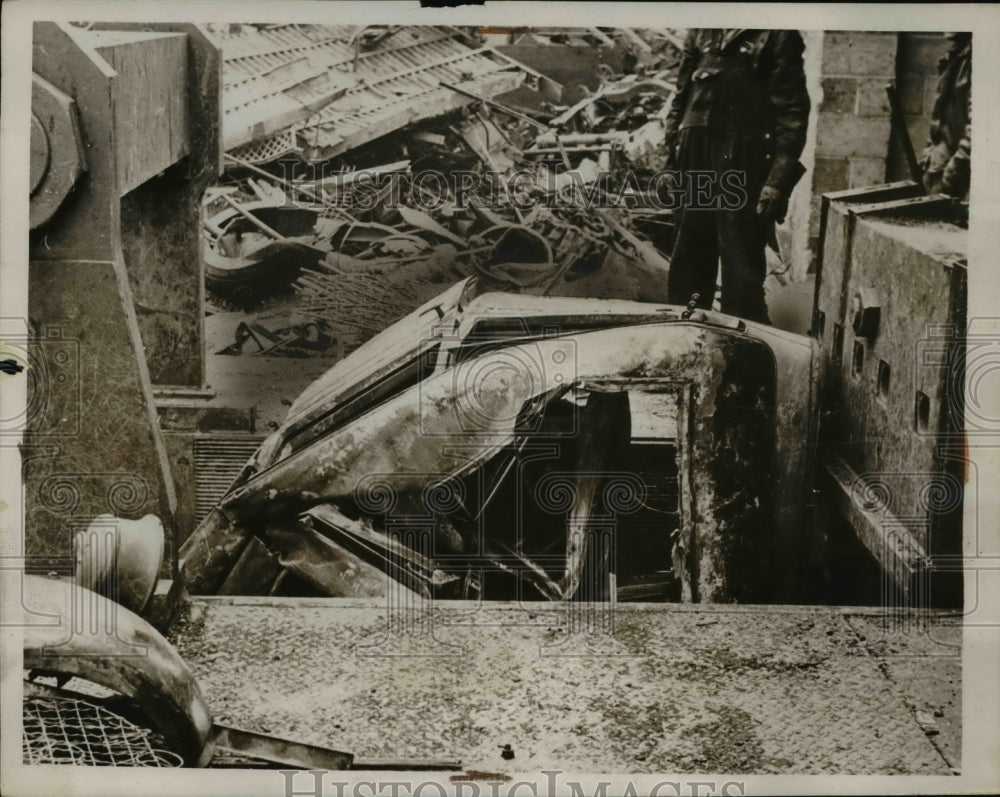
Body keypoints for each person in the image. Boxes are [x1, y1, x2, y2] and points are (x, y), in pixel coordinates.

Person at [663, 29, 811, 324]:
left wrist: (776, 183)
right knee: (688, 274)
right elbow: (679, 101)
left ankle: (744, 361)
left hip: (743, 166)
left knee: (741, 278)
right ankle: (689, 349)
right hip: (695, 162)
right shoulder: (702, 31)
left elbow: (792, 115)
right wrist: (670, 163)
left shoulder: (778, 34)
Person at [921, 33, 971, 200]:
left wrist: (949, 179)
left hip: (959, 179)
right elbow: (939, 122)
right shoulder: (955, 57)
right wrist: (928, 158)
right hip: (940, 169)